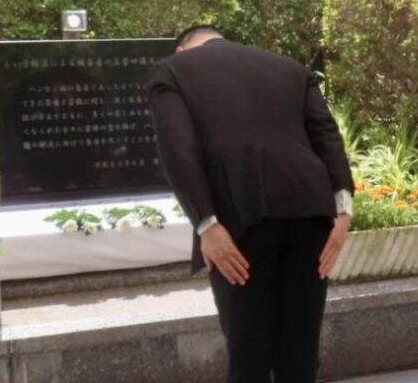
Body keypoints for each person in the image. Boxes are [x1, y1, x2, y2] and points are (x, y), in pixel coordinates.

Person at [147, 26, 354, 383]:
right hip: (311, 213)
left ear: (182, 50)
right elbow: (326, 133)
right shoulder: (289, 67)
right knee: (301, 347)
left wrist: (207, 224)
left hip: (239, 219)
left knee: (248, 349)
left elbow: (178, 151)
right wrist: (344, 209)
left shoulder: (172, 70)